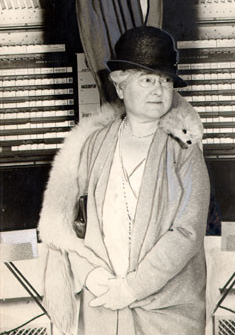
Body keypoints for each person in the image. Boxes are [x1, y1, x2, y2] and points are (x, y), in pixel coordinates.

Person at [38, 26, 210, 335]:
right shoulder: (94, 145)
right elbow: (74, 223)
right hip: (102, 306)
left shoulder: (183, 148)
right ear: (120, 87)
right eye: (147, 80)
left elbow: (187, 231)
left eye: (166, 81)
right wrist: (89, 275)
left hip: (165, 312)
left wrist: (132, 288)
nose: (159, 90)